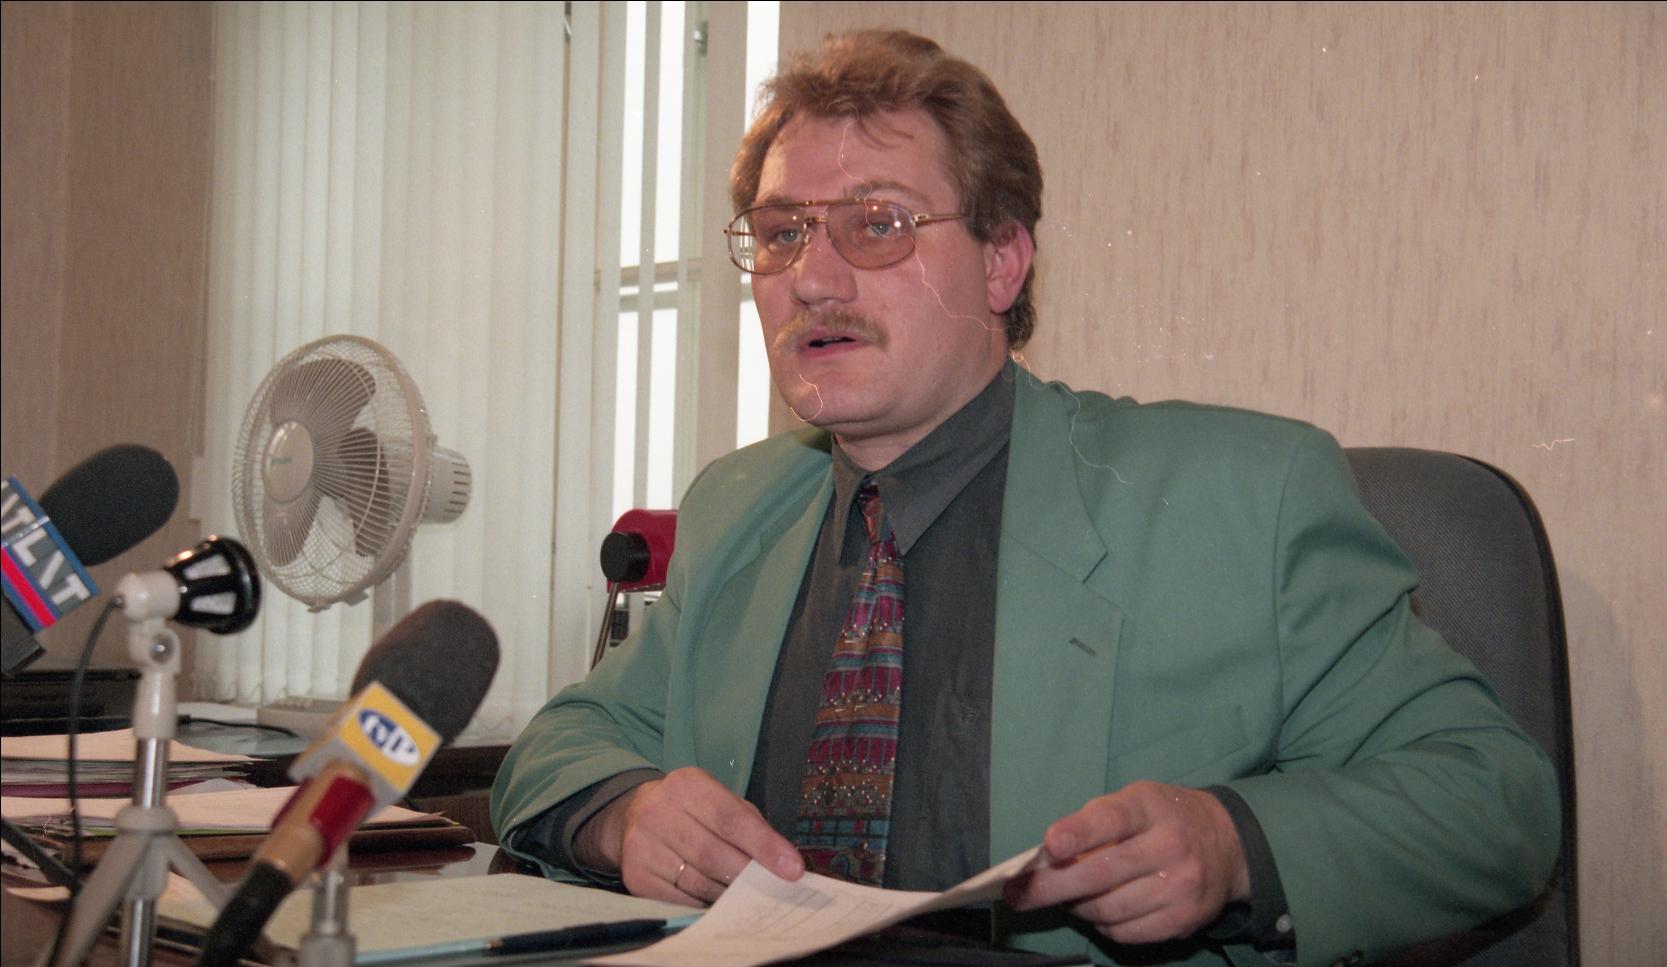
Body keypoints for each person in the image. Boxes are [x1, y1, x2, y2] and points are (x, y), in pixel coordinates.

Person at [492, 29, 1560, 966]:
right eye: (780, 234)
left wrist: (1234, 843)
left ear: (1002, 261)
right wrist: (625, 814)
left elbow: (1493, 800)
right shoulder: (740, 507)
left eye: (877, 222)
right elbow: (559, 744)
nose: (811, 279)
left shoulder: (1241, 496)